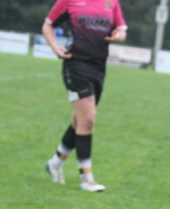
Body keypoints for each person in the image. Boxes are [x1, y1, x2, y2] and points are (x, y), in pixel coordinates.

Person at [41, 0, 127, 192]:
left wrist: (118, 36)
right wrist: (55, 47)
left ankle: (54, 164)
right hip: (75, 65)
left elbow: (121, 30)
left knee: (79, 121)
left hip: (98, 68)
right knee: (87, 119)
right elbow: (48, 24)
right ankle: (86, 178)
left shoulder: (111, 2)